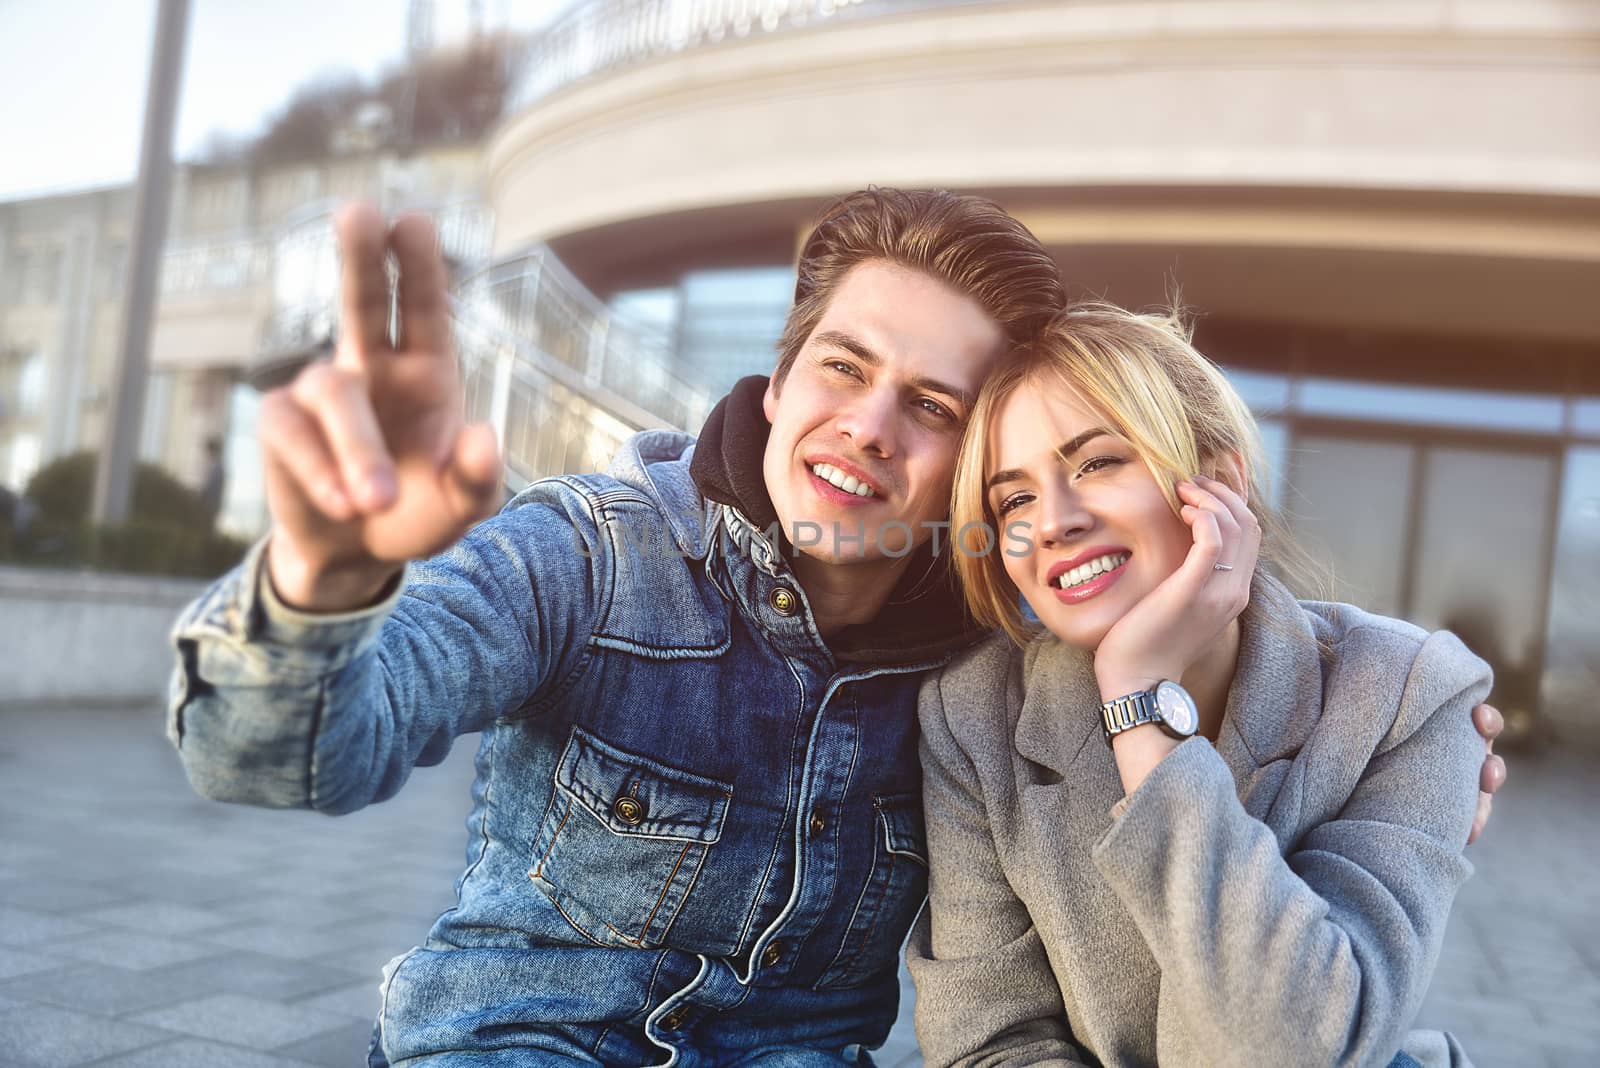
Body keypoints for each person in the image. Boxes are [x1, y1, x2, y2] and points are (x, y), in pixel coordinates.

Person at [166, 191, 1503, 1066]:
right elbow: (289, 757)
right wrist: (324, 577)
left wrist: (1398, 743)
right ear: (782, 372)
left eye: (932, 407)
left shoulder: (985, 664)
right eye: (846, 370)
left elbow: (1235, 633)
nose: (868, 428)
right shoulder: (591, 551)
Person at [908, 303, 1491, 1066]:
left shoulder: (1409, 694)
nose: (1052, 522)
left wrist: (1141, 700)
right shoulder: (971, 716)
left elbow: (1295, 1046)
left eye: (1097, 462)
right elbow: (987, 1047)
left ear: (1217, 482)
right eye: (1014, 498)